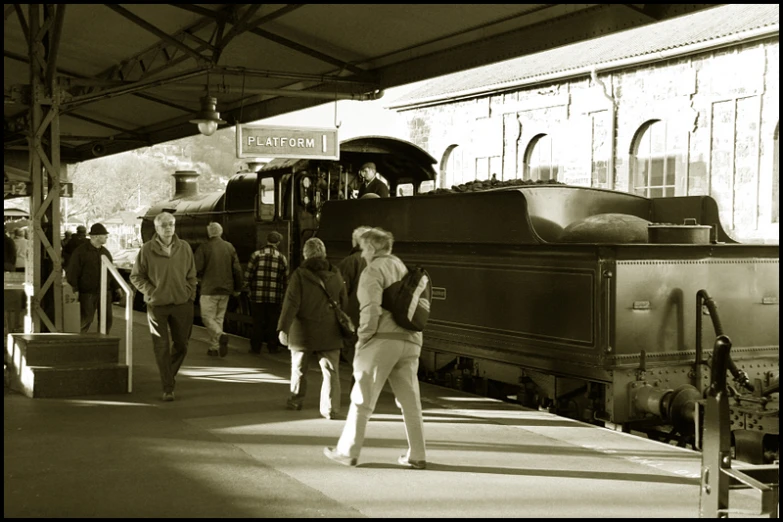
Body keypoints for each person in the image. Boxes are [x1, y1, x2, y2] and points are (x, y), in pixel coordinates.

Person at [324, 227, 427, 469]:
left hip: (382, 340)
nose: (361, 253)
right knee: (410, 402)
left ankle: (347, 451)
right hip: (410, 341)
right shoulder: (402, 267)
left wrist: (363, 339)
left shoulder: (373, 270)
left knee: (362, 399)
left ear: (371, 248)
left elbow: (370, 309)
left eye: (362, 248)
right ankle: (417, 454)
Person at [277, 237, 347, 418]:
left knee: (299, 368)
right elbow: (343, 301)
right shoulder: (336, 273)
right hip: (330, 329)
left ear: (305, 254)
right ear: (324, 254)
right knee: (331, 370)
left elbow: (291, 303)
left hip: (303, 330)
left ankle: (296, 400)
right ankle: (330, 408)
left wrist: (283, 328)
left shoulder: (300, 275)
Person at [130, 212, 197, 402]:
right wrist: (151, 291)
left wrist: (189, 292)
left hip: (182, 304)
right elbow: (136, 276)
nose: (169, 228)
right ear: (157, 228)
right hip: (157, 306)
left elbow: (192, 274)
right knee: (161, 346)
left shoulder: (184, 248)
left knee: (182, 345)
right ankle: (168, 386)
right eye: (164, 225)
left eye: (172, 224)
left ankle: (169, 374)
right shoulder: (147, 250)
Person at [194, 222, 242, 357]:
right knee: (218, 318)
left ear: (209, 233)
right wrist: (238, 287)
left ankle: (220, 335)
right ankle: (214, 347)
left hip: (209, 289)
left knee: (207, 317)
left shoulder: (204, 247)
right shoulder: (229, 247)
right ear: (220, 232)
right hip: (226, 289)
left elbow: (197, 268)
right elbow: (237, 269)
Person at [66, 223, 121, 334]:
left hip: (105, 292)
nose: (106, 237)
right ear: (95, 236)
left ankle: (103, 341)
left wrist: (116, 287)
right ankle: (80, 341)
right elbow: (72, 271)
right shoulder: (80, 252)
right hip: (87, 292)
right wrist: (75, 289)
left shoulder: (105, 252)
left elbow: (111, 271)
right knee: (86, 319)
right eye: (104, 235)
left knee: (107, 319)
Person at [243, 231, 288, 355]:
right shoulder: (281, 258)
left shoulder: (256, 255)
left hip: (257, 296)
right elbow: (285, 278)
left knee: (257, 322)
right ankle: (272, 347)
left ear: (267, 240)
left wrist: (245, 287)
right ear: (278, 243)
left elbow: (248, 275)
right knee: (272, 322)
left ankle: (255, 347)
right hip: (275, 297)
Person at [336, 225, 372, 366]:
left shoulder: (350, 262)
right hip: (377, 319)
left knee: (357, 363)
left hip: (355, 318)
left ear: (356, 242)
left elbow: (341, 292)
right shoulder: (382, 261)